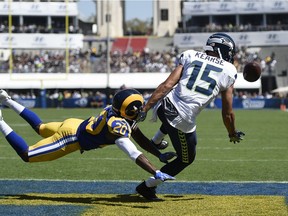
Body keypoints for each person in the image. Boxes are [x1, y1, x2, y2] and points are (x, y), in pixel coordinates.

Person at [135, 32, 245, 200]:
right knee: (186, 159)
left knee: (172, 117)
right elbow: (228, 112)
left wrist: (146, 108)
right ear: (223, 49)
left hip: (164, 106)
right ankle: (147, 187)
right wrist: (232, 132)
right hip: (181, 118)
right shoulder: (229, 70)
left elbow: (167, 85)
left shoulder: (191, 55)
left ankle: (156, 141)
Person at [0, 88, 176, 188]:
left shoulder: (116, 113)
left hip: (74, 124)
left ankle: (6, 99)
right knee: (27, 154)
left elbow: (139, 137)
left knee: (40, 127)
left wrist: (158, 155)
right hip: (70, 138)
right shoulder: (118, 125)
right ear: (128, 111)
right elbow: (133, 152)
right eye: (138, 108)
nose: (141, 110)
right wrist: (155, 171)